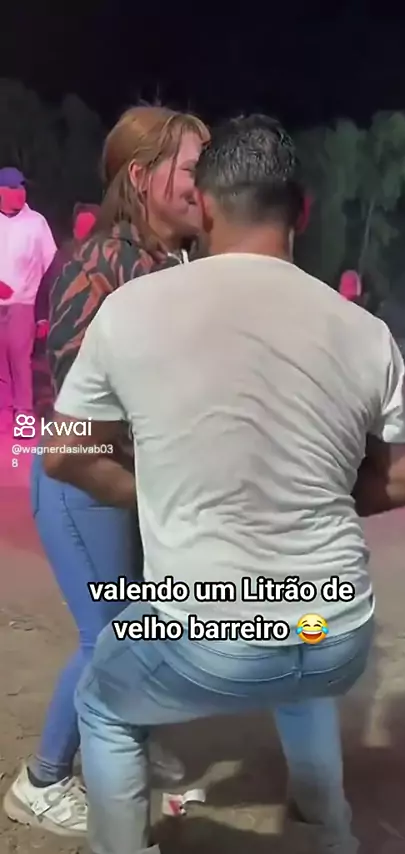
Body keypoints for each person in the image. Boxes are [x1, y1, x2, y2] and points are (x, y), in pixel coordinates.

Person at [34, 115, 405, 854]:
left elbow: (62, 455)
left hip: (211, 633)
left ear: (209, 208)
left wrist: (157, 491)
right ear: (303, 213)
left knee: (106, 699)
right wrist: (311, 495)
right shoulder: (364, 331)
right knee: (302, 670)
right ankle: (329, 834)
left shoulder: (135, 309)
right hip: (334, 631)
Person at [3, 105, 209, 838]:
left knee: (147, 625)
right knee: (112, 636)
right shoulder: (101, 266)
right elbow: (77, 399)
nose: (208, 184)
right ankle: (42, 780)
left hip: (136, 481)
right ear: (142, 177)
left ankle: (122, 741)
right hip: (84, 481)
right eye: (195, 168)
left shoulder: (177, 264)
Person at [0, 167, 57, 432]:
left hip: (24, 303)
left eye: (22, 187)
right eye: (13, 188)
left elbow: (51, 268)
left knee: (20, 360)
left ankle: (23, 412)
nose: (20, 192)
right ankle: (4, 411)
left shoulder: (36, 223)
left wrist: (43, 313)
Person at [33, 203, 100, 417]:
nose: (81, 231)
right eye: (79, 226)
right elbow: (46, 285)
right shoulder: (65, 253)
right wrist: (42, 318)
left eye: (87, 226)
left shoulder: (106, 254)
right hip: (66, 328)